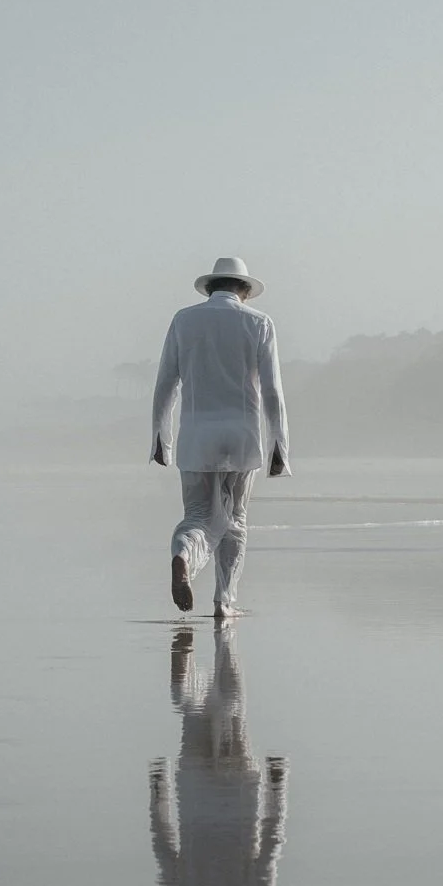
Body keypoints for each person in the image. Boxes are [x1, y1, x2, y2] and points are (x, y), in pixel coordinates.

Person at [150, 254, 290, 618]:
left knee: (198, 515)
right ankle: (224, 602)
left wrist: (160, 438)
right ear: (243, 289)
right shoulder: (259, 323)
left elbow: (167, 383)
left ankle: (183, 555)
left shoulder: (184, 320)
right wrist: (279, 447)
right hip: (242, 435)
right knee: (236, 521)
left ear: (211, 287)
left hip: (197, 435)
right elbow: (272, 390)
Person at [148, 624, 288, 886]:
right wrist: (157, 790)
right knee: (194, 714)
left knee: (234, 710)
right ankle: (184, 683)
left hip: (238, 791)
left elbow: (272, 839)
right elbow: (163, 847)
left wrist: (277, 784)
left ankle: (223, 642)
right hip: (195, 792)